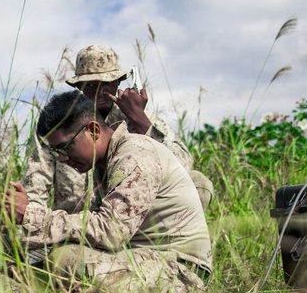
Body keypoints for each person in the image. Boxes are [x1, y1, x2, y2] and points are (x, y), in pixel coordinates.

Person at [0, 90, 212, 293]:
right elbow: (93, 228)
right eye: (56, 152)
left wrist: (32, 216)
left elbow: (111, 232)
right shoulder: (107, 161)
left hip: (180, 271)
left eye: (65, 148)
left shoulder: (134, 154)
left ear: (93, 130)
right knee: (57, 258)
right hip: (145, 257)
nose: (62, 159)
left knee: (66, 259)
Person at [21, 45, 213, 235]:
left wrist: (140, 120)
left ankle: (166, 250)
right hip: (74, 227)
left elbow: (182, 166)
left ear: (118, 83)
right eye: (91, 85)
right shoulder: (58, 129)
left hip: (132, 224)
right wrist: (32, 225)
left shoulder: (137, 118)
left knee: (198, 182)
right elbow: (36, 186)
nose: (100, 92)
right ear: (79, 87)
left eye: (107, 83)